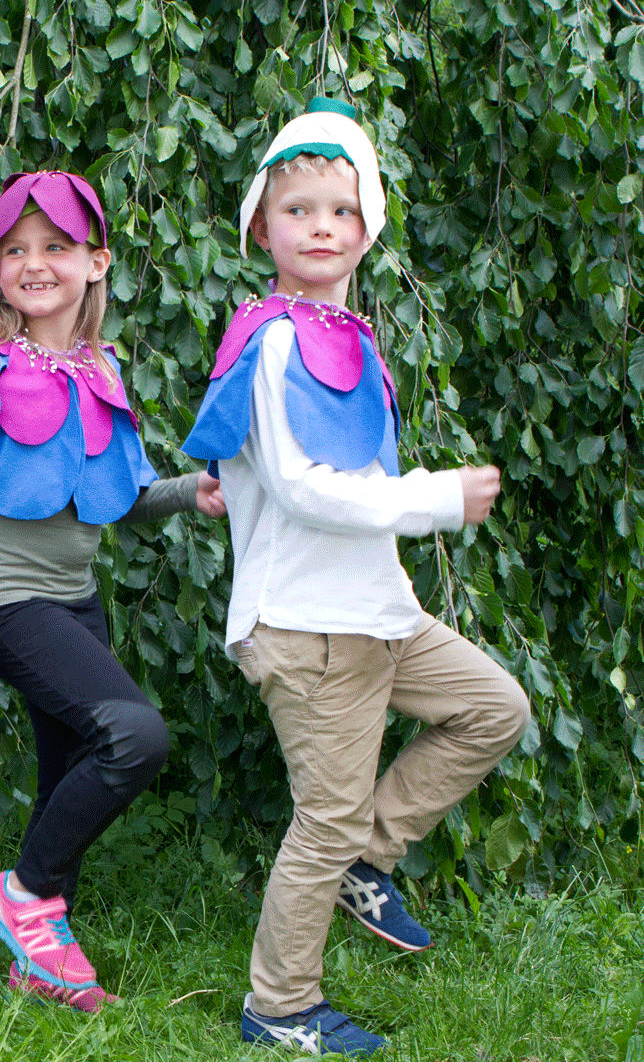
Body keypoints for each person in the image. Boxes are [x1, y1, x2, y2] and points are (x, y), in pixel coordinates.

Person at [181, 98, 531, 1057]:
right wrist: (436, 498)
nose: (321, 227)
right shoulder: (277, 339)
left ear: (368, 228)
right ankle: (279, 1007)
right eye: (299, 210)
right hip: (305, 623)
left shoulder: (346, 336)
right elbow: (300, 489)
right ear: (262, 226)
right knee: (322, 819)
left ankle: (366, 857)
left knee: (493, 707)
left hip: (377, 613)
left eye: (341, 210)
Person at [0, 171, 225, 1012]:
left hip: (73, 597)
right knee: (134, 737)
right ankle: (27, 895)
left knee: (71, 768)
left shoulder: (98, 368)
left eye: (56, 247)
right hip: (6, 600)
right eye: (17, 250)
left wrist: (194, 492)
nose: (35, 263)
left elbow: (121, 496)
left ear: (96, 262)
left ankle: (41, 960)